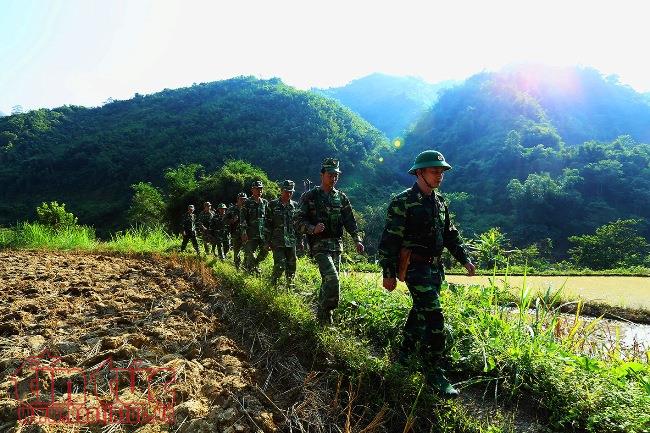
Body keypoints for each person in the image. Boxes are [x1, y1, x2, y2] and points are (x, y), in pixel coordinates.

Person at [377, 150, 476, 398]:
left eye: (442, 171)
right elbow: (390, 240)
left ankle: (404, 355)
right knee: (434, 316)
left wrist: (465, 260)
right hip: (414, 267)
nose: (440, 175)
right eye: (435, 171)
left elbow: (450, 235)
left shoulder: (440, 202)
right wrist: (388, 273)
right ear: (420, 172)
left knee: (420, 313)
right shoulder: (403, 202)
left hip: (435, 268)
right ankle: (434, 371)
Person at [297, 158, 364, 325]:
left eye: (336, 175)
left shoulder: (341, 198)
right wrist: (312, 229)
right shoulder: (309, 196)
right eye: (330, 174)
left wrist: (357, 239)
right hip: (319, 246)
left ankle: (322, 319)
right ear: (322, 175)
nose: (333, 178)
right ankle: (328, 312)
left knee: (327, 282)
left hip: (336, 246)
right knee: (333, 279)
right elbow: (297, 221)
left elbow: (350, 221)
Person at [266, 180, 299, 286]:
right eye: (286, 191)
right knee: (280, 265)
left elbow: (297, 225)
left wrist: (301, 241)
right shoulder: (272, 205)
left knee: (292, 265)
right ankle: (272, 284)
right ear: (281, 190)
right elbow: (267, 224)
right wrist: (267, 241)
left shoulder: (295, 206)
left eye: (291, 192)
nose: (289, 194)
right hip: (277, 241)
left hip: (291, 241)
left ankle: (290, 286)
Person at [240, 180, 269, 274]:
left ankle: (254, 264)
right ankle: (250, 272)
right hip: (250, 234)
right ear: (252, 190)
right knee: (250, 254)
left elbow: (268, 219)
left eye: (261, 189)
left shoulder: (265, 202)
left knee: (265, 251)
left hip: (262, 234)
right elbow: (243, 219)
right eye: (257, 189)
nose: (260, 190)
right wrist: (244, 232)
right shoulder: (247, 203)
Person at [226, 192, 247, 269]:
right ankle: (237, 268)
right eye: (241, 199)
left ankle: (245, 267)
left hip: (246, 234)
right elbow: (224, 220)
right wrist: (232, 220)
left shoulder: (248, 208)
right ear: (237, 199)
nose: (243, 201)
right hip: (236, 234)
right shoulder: (231, 209)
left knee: (248, 251)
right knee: (236, 252)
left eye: (245, 199)